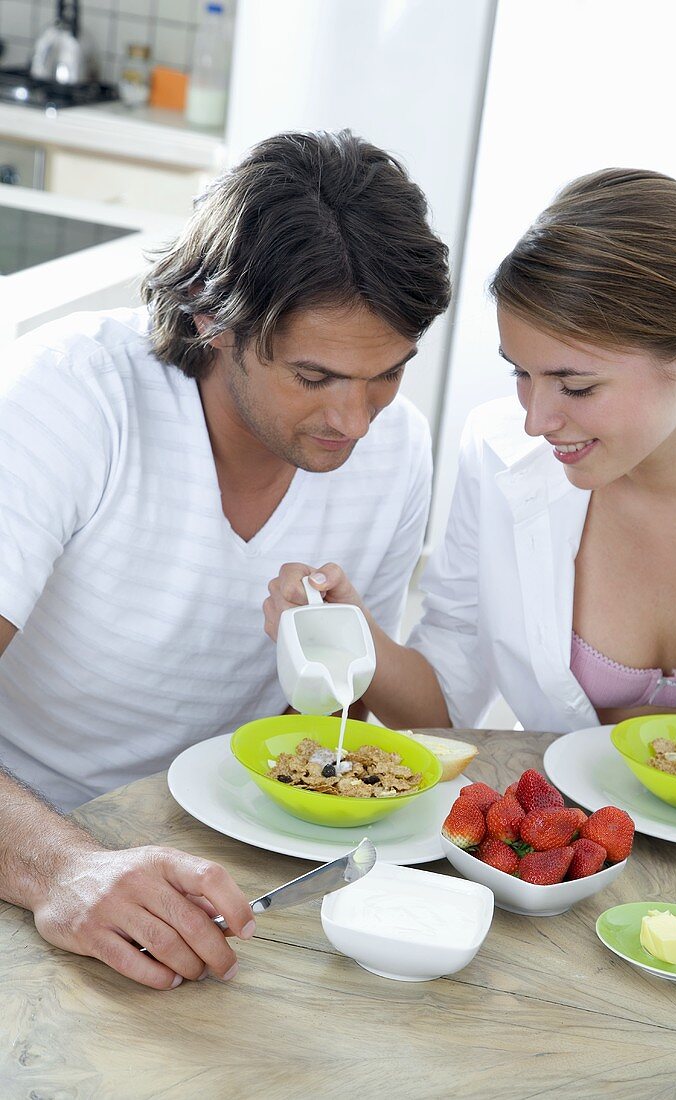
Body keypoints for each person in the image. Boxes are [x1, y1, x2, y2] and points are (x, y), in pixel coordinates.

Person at [0, 129, 451, 988]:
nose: (354, 421)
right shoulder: (66, 401)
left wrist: (331, 649)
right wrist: (60, 867)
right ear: (213, 318)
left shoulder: (397, 449)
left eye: (388, 373)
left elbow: (350, 723)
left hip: (232, 863)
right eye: (314, 377)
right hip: (32, 849)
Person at [266, 168, 676, 735]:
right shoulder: (499, 452)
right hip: (566, 825)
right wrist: (351, 629)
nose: (536, 421)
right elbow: (445, 713)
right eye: (522, 374)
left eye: (577, 386)